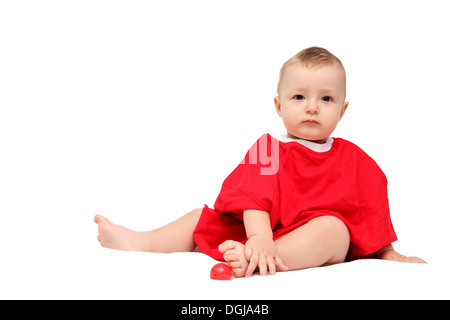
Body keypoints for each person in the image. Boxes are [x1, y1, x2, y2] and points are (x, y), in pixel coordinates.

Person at [94, 47, 426, 278]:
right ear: (279, 105)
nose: (312, 107)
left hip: (306, 241)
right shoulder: (269, 148)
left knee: (334, 229)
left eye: (326, 98)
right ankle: (141, 242)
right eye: (299, 97)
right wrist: (259, 238)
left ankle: (262, 261)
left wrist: (386, 251)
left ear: (342, 110)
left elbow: (370, 208)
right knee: (201, 218)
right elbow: (253, 199)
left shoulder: (355, 160)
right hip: (261, 232)